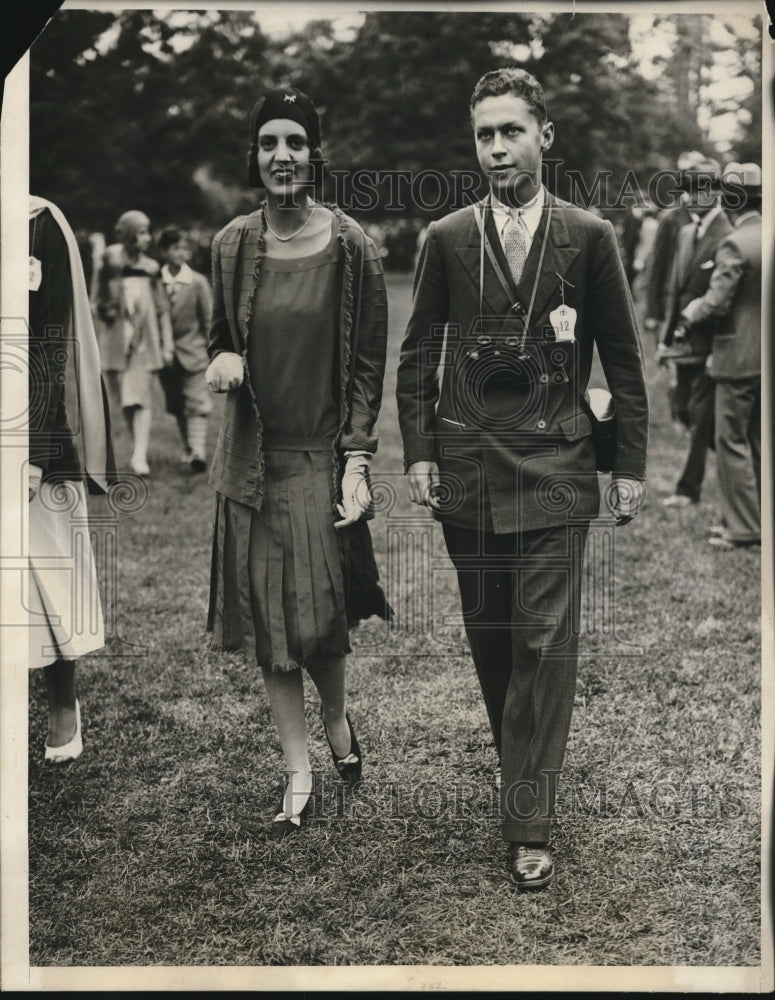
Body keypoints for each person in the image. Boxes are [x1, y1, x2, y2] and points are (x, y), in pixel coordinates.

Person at [396, 68, 648, 889]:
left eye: (511, 130)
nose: (496, 147)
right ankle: (524, 767)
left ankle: (527, 819)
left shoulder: (589, 235)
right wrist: (420, 451)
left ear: (544, 135)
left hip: (556, 465)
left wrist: (630, 467)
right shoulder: (444, 238)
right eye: (483, 134)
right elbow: (415, 354)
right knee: (495, 643)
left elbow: (621, 356)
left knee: (545, 642)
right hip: (466, 466)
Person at [205, 87, 390, 836]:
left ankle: (338, 719)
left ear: (317, 153)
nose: (281, 156)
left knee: (317, 623)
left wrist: (357, 459)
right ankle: (297, 769)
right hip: (252, 465)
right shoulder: (229, 244)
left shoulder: (354, 247)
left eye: (295, 142)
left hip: (319, 460)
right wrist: (220, 355)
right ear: (255, 156)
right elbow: (219, 330)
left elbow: (366, 370)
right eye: (267, 143)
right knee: (269, 626)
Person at [28, 196, 116, 761]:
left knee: (49, 579)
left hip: (32, 430)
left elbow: (50, 337)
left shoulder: (39, 223)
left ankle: (62, 702)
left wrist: (33, 443)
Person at [678, 162, 762, 548]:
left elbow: (717, 302)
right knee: (760, 442)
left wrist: (693, 310)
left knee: (731, 441)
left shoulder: (736, 243)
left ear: (730, 201)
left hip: (737, 357)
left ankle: (743, 528)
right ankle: (756, 519)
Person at [657, 157, 732, 508]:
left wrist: (719, 348)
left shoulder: (727, 235)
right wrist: (665, 338)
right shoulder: (685, 232)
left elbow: (725, 300)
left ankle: (689, 489)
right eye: (686, 191)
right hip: (682, 343)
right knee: (684, 410)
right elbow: (676, 289)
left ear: (716, 192)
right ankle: (742, 460)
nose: (690, 198)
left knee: (701, 415)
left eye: (698, 190)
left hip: (710, 345)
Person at [94, 210, 174, 477]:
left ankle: (139, 454)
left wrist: (167, 343)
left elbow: (162, 308)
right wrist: (105, 308)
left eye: (148, 231)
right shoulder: (110, 260)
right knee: (126, 400)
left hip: (143, 341)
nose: (148, 238)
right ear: (128, 234)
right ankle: (138, 448)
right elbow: (97, 300)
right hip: (116, 340)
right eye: (141, 232)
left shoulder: (151, 268)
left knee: (140, 397)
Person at [158, 226, 214, 473]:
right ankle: (189, 448)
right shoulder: (155, 282)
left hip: (194, 352)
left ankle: (199, 452)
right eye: (174, 248)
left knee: (198, 402)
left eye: (184, 248)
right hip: (165, 356)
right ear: (164, 251)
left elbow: (209, 319)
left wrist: (212, 349)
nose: (180, 253)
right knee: (177, 405)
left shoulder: (198, 282)